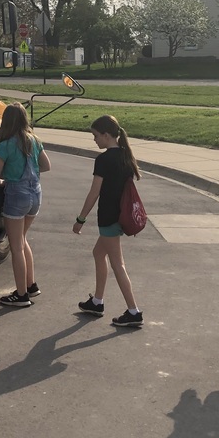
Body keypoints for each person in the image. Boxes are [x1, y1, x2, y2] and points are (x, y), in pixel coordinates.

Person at [72, 114, 143, 328]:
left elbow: (94, 192)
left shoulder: (103, 160)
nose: (94, 140)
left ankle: (133, 311)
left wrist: (80, 219)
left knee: (117, 265)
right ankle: (97, 301)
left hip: (109, 218)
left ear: (106, 135)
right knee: (98, 253)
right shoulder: (125, 156)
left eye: (95, 136)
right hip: (120, 217)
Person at [0, 103, 52, 308]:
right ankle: (31, 284)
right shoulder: (34, 140)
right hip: (36, 193)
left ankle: (21, 294)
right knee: (22, 239)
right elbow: (46, 165)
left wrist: (3, 181)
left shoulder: (6, 144)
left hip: (16, 195)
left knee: (15, 246)